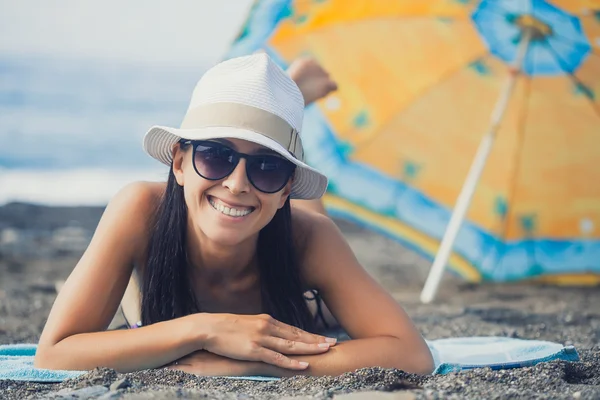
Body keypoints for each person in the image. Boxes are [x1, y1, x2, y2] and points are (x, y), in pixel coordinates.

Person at [34, 53, 434, 377]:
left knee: (310, 239)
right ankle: (287, 113)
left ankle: (289, 120)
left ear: (289, 186)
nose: (237, 182)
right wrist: (207, 328)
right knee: (259, 206)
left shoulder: (311, 238)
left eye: (267, 166)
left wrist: (254, 363)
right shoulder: (140, 210)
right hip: (256, 223)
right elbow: (54, 353)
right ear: (179, 163)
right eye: (215, 156)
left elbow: (412, 355)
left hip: (292, 252)